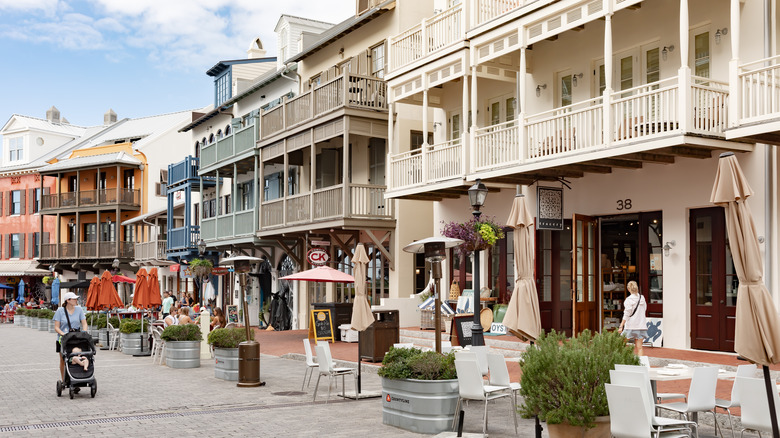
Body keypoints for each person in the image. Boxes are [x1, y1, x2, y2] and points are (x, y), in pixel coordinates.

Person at [53, 292, 88, 383]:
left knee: (77, 356)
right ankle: (64, 379)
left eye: (76, 299)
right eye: (74, 299)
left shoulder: (79, 310)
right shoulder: (60, 311)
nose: (76, 300)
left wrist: (84, 331)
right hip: (63, 338)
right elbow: (56, 327)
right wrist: (63, 334)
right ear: (68, 300)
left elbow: (84, 323)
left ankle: (76, 377)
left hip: (76, 338)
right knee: (63, 359)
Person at [618, 281, 648, 356]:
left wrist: (621, 325)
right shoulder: (642, 298)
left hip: (630, 326)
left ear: (628, 289)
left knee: (621, 344)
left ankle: (624, 361)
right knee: (640, 347)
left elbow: (627, 314)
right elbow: (644, 309)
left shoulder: (628, 300)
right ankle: (640, 363)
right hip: (641, 325)